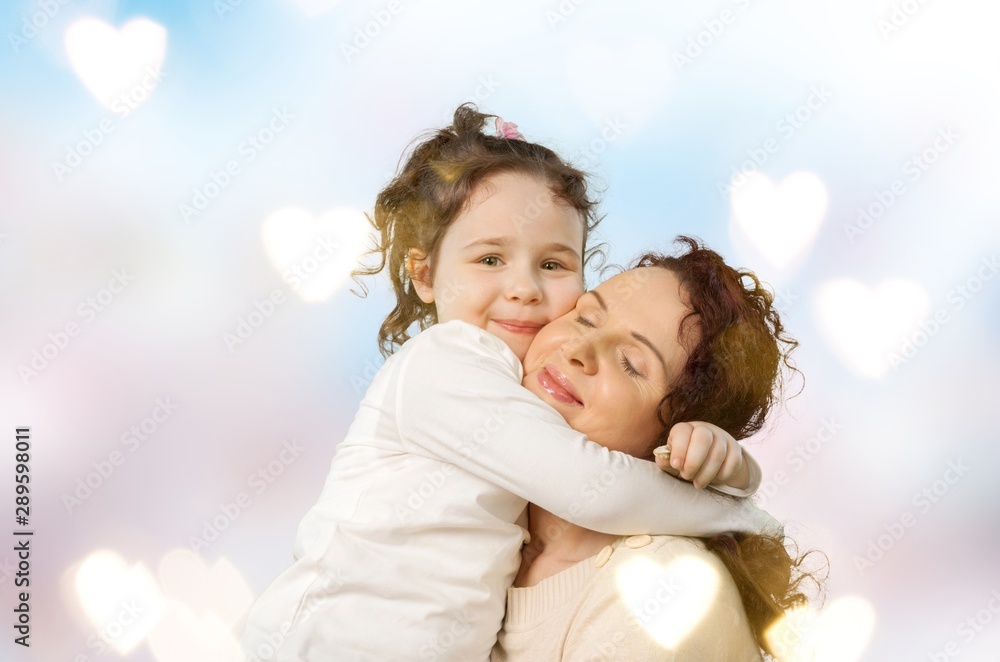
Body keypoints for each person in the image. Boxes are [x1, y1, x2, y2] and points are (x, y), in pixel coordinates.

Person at [239, 106, 777, 661]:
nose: (522, 288)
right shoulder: (445, 364)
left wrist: (726, 464)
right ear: (424, 275)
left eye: (552, 265)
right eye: (490, 258)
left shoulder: (647, 586)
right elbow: (590, 486)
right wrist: (738, 509)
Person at [493, 237, 815, 661]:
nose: (579, 351)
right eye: (586, 319)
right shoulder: (492, 524)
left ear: (677, 436)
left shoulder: (659, 589)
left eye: (630, 363)